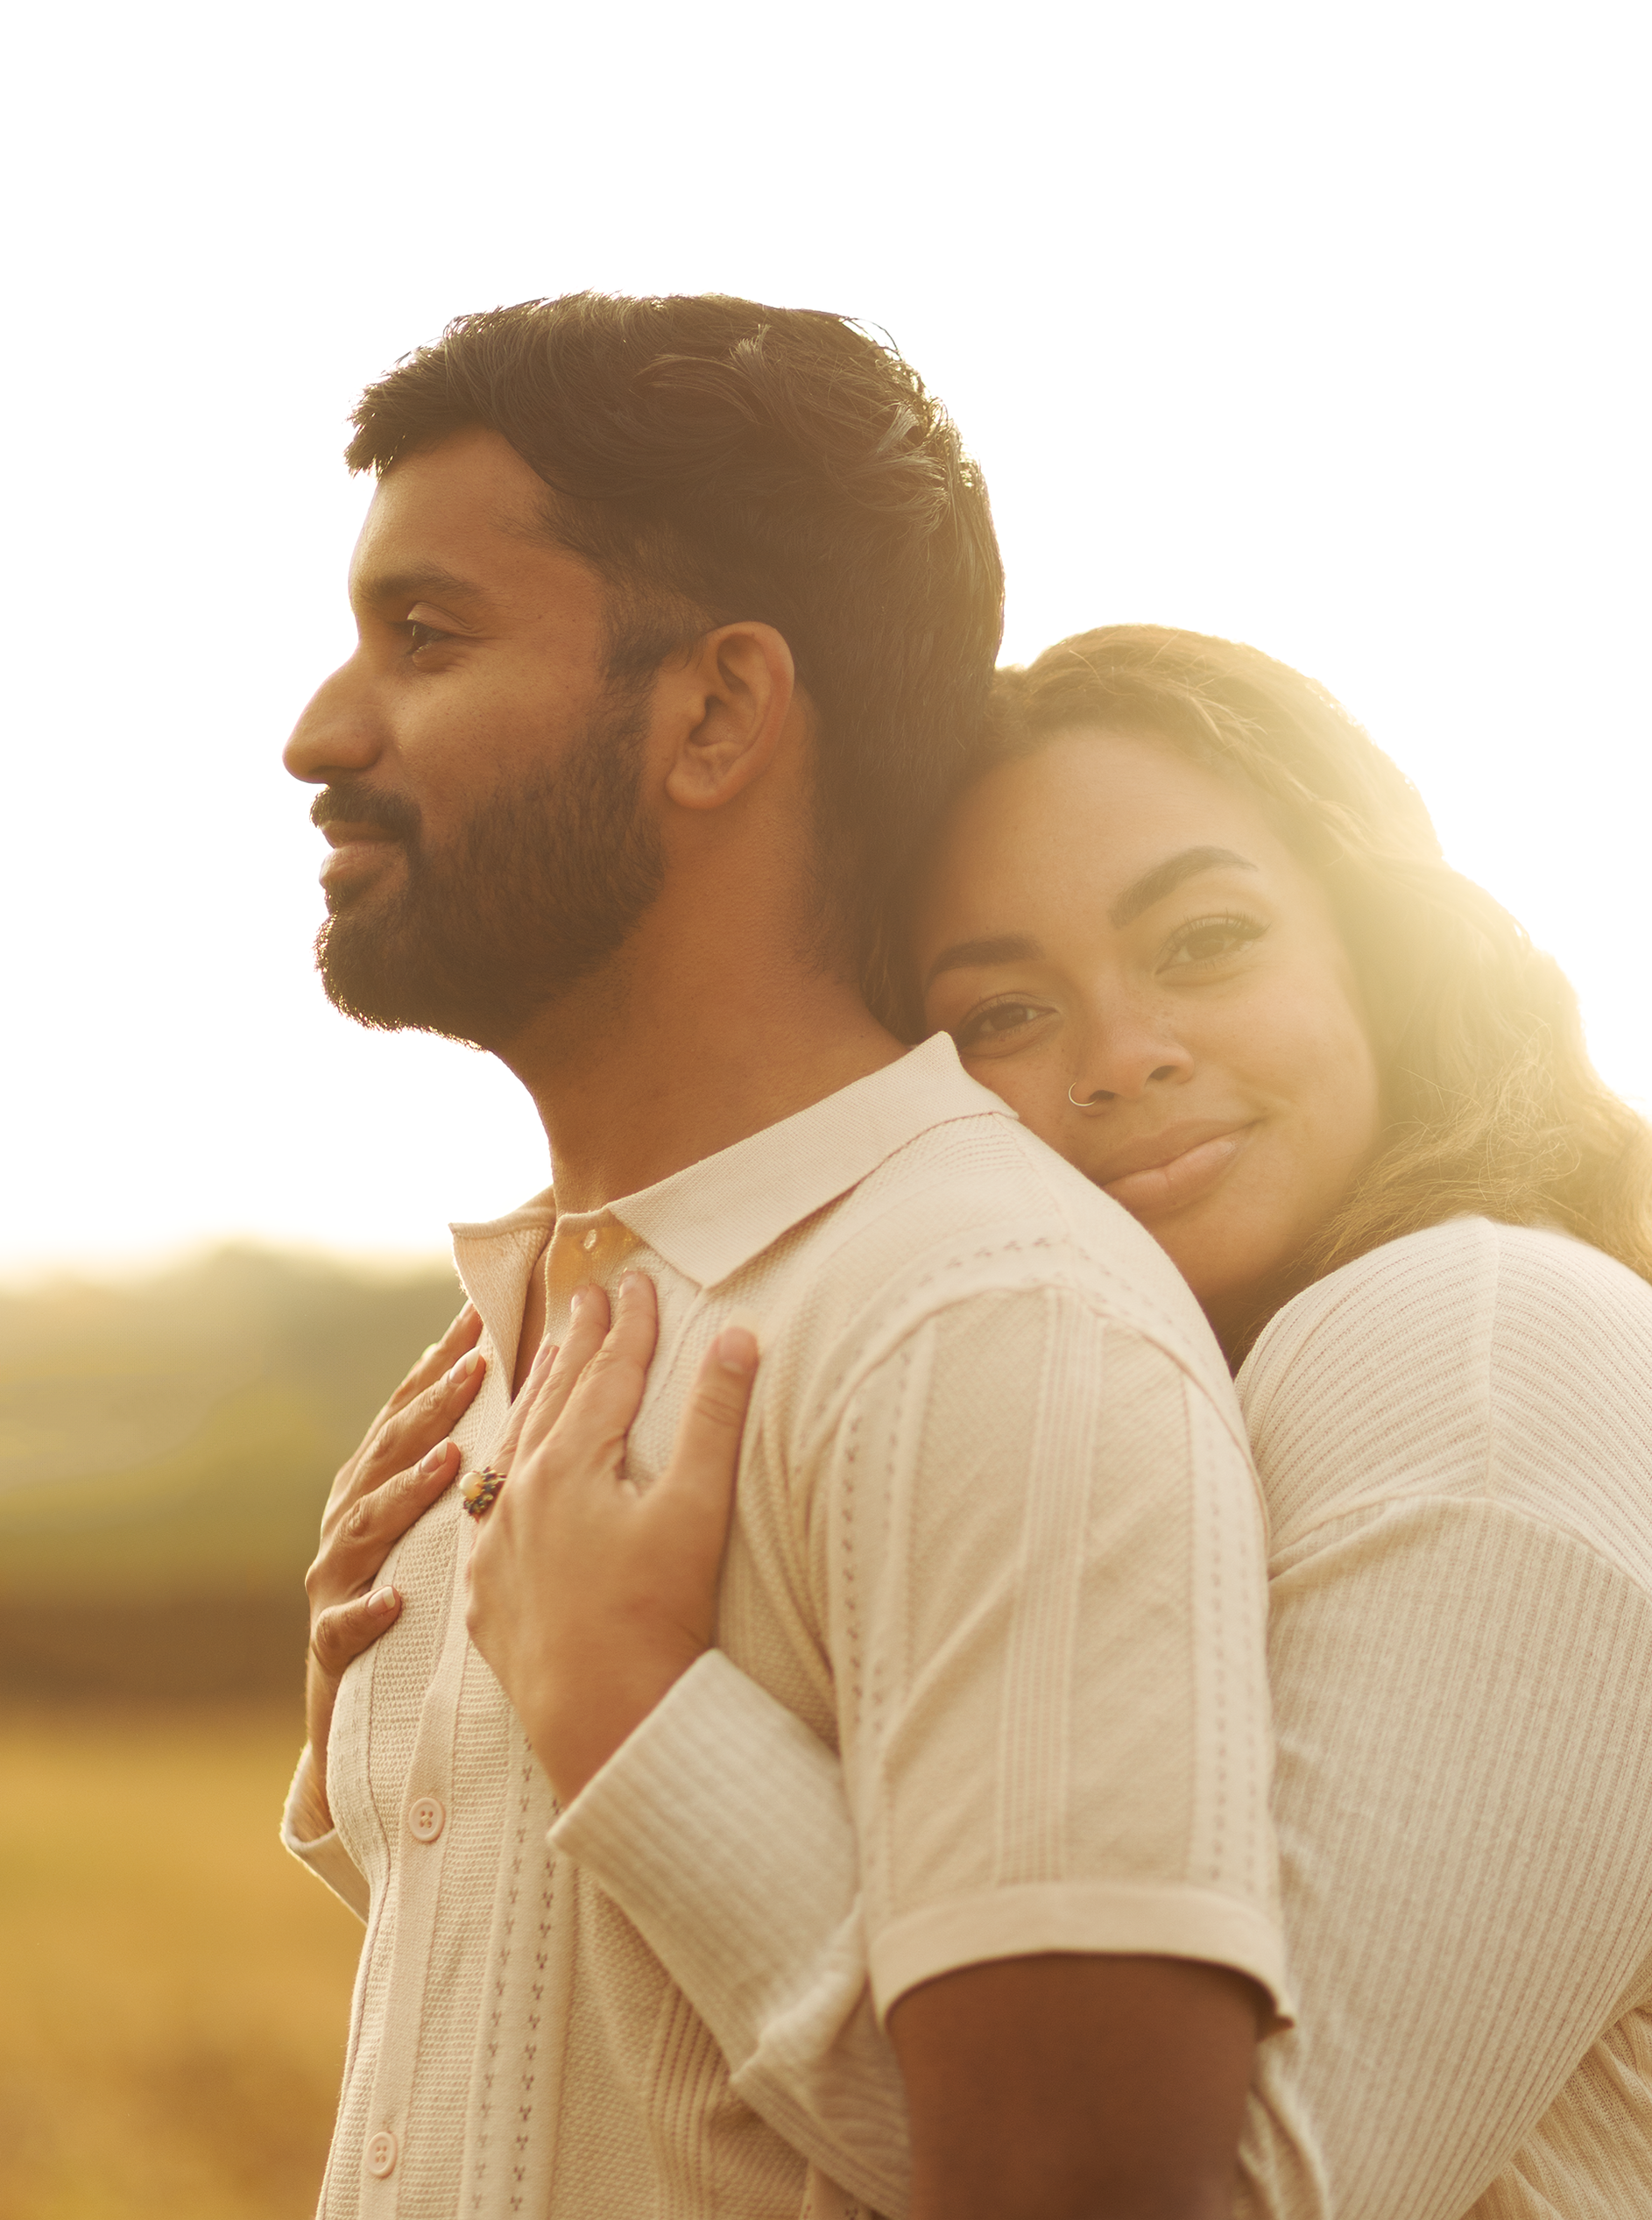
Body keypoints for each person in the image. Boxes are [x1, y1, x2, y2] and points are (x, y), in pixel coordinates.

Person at [462, 624, 1652, 2216]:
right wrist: (442, 1664)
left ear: (1380, 951)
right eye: (1004, 1015)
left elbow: (1172, 2188)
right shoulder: (1213, 1398)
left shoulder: (1478, 1344)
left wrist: (630, 1710)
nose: (1122, 1056)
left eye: (1208, 939)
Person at [279, 298, 1296, 2220]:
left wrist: (643, 1728)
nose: (322, 732)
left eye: (426, 637)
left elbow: (1085, 2182)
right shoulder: (528, 1350)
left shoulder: (988, 1324)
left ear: (720, 713)